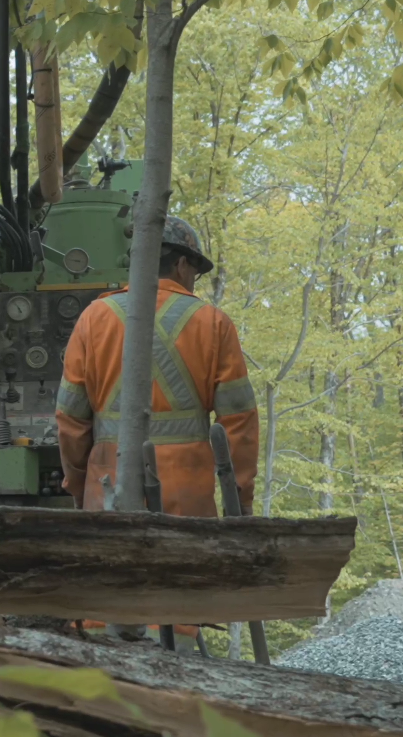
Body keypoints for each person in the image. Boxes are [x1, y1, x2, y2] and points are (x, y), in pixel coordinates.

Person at [55, 216, 259, 517]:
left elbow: (71, 420)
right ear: (181, 265)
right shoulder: (213, 324)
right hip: (187, 498)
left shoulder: (93, 319)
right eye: (195, 272)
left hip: (108, 494)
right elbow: (239, 421)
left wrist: (77, 486)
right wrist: (241, 497)